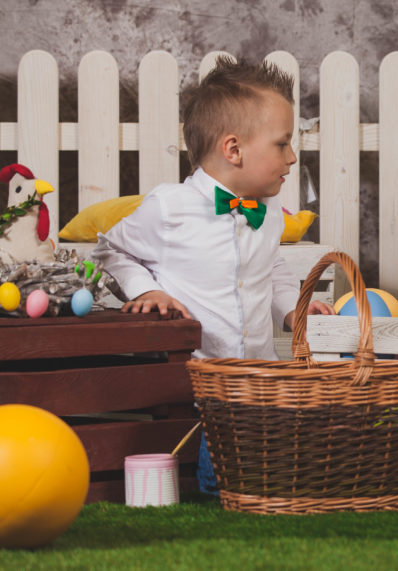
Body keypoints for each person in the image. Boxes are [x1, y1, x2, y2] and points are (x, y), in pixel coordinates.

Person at [93, 56, 334, 492]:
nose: (292, 157)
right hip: (199, 381)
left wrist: (292, 309)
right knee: (221, 473)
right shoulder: (171, 208)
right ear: (233, 150)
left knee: (294, 453)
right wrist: (146, 290)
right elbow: (109, 249)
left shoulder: (269, 212)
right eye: (282, 144)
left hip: (259, 377)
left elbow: (271, 266)